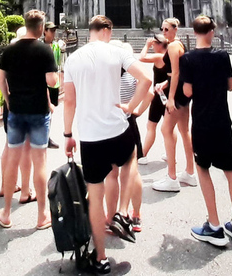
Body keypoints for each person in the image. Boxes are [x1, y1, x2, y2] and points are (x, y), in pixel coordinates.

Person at [63, 16, 152, 274]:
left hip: (90, 136)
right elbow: (145, 80)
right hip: (118, 128)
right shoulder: (116, 51)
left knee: (95, 197)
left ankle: (101, 258)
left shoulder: (73, 58)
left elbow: (69, 102)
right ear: (107, 31)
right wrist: (131, 108)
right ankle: (122, 211)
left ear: (90, 31)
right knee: (130, 158)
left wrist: (68, 134)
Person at [181, 15, 232, 248]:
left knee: (203, 170)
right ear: (212, 32)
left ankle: (215, 227)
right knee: (230, 171)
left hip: (202, 124)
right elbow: (230, 85)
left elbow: (187, 92)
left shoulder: (187, 59)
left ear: (195, 32)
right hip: (222, 122)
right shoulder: (223, 55)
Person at [0, 10, 58, 230]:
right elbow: (52, 81)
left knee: (13, 159)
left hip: (16, 111)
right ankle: (42, 216)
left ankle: (6, 213)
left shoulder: (10, 49)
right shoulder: (44, 50)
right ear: (40, 28)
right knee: (40, 162)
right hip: (39, 111)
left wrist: (7, 98)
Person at [105, 41, 146, 236]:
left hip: (108, 124)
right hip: (128, 121)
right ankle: (135, 215)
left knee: (111, 174)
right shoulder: (133, 73)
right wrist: (135, 109)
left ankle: (110, 217)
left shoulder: (105, 74)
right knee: (132, 171)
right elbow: (150, 89)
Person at [152, 18, 197, 192]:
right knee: (185, 131)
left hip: (177, 95)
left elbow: (176, 73)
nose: (163, 32)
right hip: (182, 93)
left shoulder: (171, 47)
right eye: (162, 29)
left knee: (166, 130)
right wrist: (164, 83)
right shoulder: (179, 44)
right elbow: (173, 74)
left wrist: (170, 98)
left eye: (166, 29)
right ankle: (190, 173)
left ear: (174, 29)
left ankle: (171, 177)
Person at [0, 26, 34, 203]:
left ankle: (6, 186)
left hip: (10, 105)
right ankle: (26, 190)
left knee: (8, 145)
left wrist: (7, 98)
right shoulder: (29, 56)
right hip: (25, 105)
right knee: (26, 148)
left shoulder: (8, 55)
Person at [136, 34, 170, 165]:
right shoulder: (170, 55)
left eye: (155, 44)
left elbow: (142, 57)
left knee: (151, 125)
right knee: (169, 127)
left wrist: (146, 45)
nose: (153, 46)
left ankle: (143, 154)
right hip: (168, 95)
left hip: (159, 95)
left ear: (160, 45)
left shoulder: (159, 56)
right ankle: (169, 152)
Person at [43, 21, 63, 149]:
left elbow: (59, 63)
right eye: (51, 30)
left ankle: (47, 136)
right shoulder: (39, 46)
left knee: (51, 112)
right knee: (44, 110)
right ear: (44, 31)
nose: (53, 32)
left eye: (54, 30)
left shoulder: (56, 46)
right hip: (43, 83)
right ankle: (42, 137)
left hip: (54, 84)